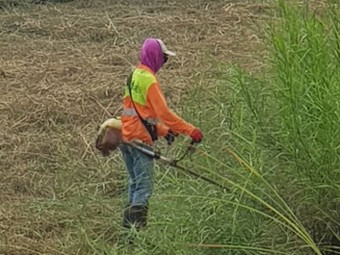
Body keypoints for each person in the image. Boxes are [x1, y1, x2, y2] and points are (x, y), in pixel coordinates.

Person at [119, 38, 203, 230]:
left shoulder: (133, 75)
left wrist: (163, 131)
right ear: (156, 57)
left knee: (135, 184)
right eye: (164, 59)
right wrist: (191, 131)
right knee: (143, 188)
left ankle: (128, 235)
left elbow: (136, 114)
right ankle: (135, 237)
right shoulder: (148, 79)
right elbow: (163, 113)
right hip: (139, 140)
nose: (163, 64)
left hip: (126, 138)